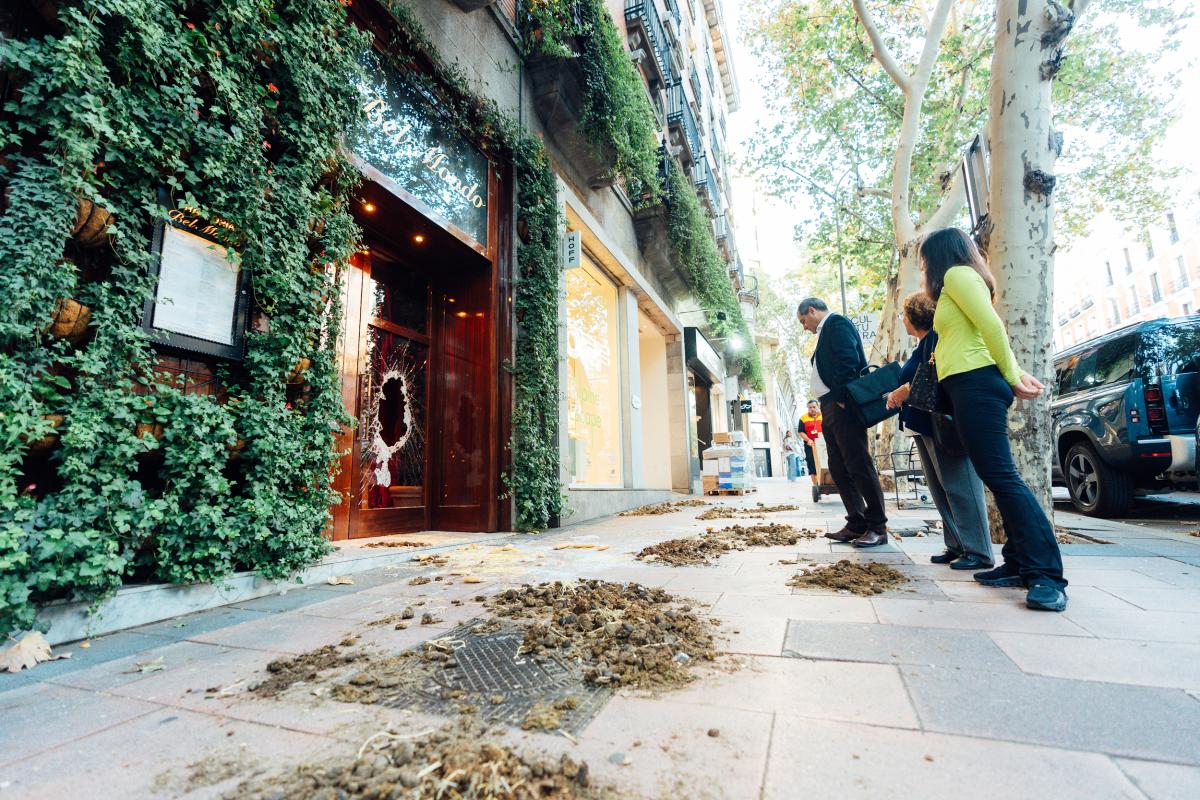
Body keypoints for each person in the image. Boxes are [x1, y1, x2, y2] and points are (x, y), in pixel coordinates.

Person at [920, 227, 1068, 612]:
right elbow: (976, 334)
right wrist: (1011, 373)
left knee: (1003, 477)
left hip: (976, 384)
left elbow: (991, 326)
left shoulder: (957, 275)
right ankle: (1018, 562)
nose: (922, 269)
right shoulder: (961, 280)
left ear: (938, 256)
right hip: (968, 385)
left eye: (924, 261)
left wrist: (1013, 374)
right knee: (996, 477)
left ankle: (1046, 575)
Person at [886, 292, 993, 570]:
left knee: (960, 486)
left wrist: (905, 389)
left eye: (904, 315)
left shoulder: (937, 337)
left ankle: (979, 551)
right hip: (923, 423)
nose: (902, 320)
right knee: (941, 488)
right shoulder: (923, 343)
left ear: (915, 317)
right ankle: (956, 544)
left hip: (942, 424)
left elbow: (937, 374)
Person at [797, 297, 888, 547]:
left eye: (803, 320)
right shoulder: (827, 330)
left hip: (841, 405)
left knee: (859, 464)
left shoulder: (837, 324)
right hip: (830, 406)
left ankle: (877, 527)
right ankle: (856, 522)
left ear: (812, 310)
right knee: (838, 466)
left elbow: (848, 360)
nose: (804, 326)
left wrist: (840, 398)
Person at [799, 400, 823, 502]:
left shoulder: (823, 415)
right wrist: (808, 440)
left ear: (818, 406)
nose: (812, 409)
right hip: (810, 445)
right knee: (812, 466)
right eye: (810, 407)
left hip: (824, 444)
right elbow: (801, 431)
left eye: (814, 407)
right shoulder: (803, 418)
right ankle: (816, 486)